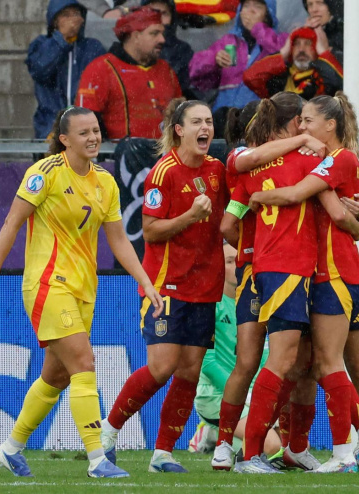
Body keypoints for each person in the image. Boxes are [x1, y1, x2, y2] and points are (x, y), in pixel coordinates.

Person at [0, 106, 161, 478]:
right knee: (85, 363)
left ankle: (9, 448)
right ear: (64, 139)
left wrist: (145, 281)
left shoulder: (105, 181)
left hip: (84, 289)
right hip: (47, 284)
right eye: (84, 132)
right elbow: (11, 223)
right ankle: (97, 458)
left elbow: (119, 239)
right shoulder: (44, 174)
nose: (93, 138)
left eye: (96, 131)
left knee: (56, 377)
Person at [247, 93, 359, 473]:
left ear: (330, 125)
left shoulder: (337, 160)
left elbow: (297, 195)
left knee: (328, 364)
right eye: (300, 120)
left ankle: (354, 445)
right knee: (338, 365)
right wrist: (356, 219)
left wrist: (256, 195)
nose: (302, 127)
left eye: (308, 120)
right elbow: (356, 221)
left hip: (332, 273)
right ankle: (352, 444)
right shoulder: (345, 162)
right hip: (339, 272)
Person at [99, 99, 228, 473]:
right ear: (180, 130)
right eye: (197, 122)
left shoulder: (217, 170)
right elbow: (151, 231)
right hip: (165, 285)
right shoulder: (163, 173)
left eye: (209, 121)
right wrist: (191, 215)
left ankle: (163, 453)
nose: (206, 128)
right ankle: (109, 430)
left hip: (205, 286)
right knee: (162, 366)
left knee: (189, 370)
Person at [212, 98, 328, 473]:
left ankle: (231, 448)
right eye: (304, 121)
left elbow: (228, 225)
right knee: (289, 362)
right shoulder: (306, 160)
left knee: (261, 362)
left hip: (255, 270)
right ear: (295, 122)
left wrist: (249, 247)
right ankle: (255, 454)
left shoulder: (249, 168)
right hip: (290, 270)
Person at [188, 242, 281, 457]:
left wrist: (260, 394)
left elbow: (266, 355)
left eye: (238, 261)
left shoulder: (256, 303)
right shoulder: (209, 305)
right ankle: (218, 430)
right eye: (229, 261)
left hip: (249, 394)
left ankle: (215, 433)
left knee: (284, 449)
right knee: (272, 448)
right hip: (215, 396)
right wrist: (245, 394)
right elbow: (208, 363)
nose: (236, 266)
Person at [75, 6, 182, 139]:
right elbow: (85, 120)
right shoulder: (101, 68)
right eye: (154, 33)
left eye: (162, 33)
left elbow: (180, 115)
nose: (162, 39)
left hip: (166, 157)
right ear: (135, 36)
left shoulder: (166, 70)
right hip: (117, 157)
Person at [27, 0, 106, 140]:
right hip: (50, 124)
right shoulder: (41, 44)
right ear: (55, 20)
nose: (72, 20)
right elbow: (40, 71)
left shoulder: (93, 47)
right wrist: (61, 40)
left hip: (87, 126)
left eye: (76, 14)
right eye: (66, 15)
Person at [190, 0, 286, 112]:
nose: (250, 11)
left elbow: (280, 54)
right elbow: (194, 72)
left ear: (268, 14)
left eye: (258, 7)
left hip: (257, 116)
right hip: (224, 114)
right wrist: (214, 59)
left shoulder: (280, 39)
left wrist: (258, 28)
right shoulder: (228, 41)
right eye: (246, 6)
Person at [243, 26, 343, 99]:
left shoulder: (322, 79)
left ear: (316, 48)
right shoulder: (280, 78)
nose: (301, 49)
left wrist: (324, 53)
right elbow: (250, 77)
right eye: (296, 43)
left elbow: (340, 84)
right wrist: (283, 53)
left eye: (308, 43)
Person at [141, 0, 198, 99]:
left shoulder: (183, 50)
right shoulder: (129, 46)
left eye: (164, 13)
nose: (159, 18)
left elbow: (185, 89)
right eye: (153, 12)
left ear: (172, 18)